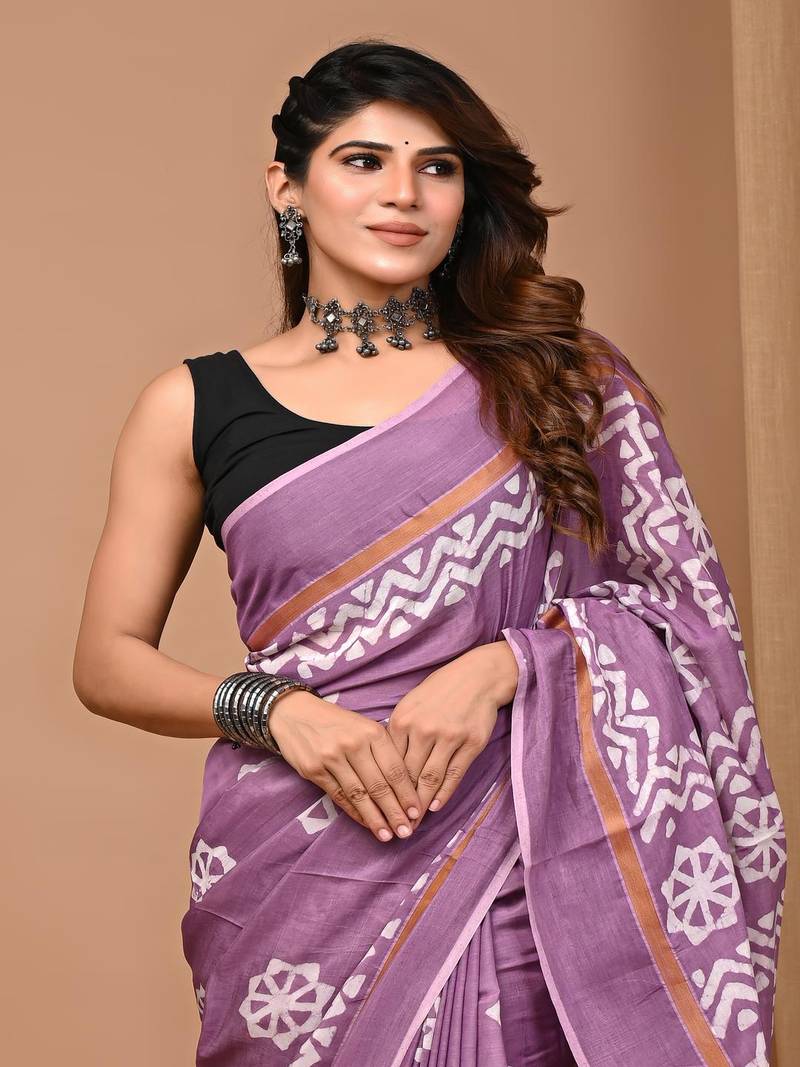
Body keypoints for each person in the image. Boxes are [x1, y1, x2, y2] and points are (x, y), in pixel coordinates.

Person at [72, 38, 786, 1067]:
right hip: (298, 880)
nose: (402, 193)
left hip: (534, 862)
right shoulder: (194, 404)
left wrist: (508, 665)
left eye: (436, 166)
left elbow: (686, 616)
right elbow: (106, 660)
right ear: (286, 185)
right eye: (363, 160)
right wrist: (281, 711)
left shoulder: (560, 381)